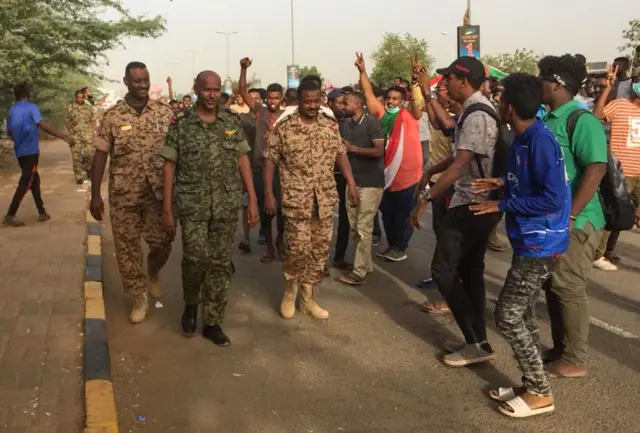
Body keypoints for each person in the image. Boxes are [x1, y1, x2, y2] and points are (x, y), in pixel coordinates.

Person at [471, 73, 570, 418]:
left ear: (509, 108)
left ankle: (541, 392)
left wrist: (501, 205)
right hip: (527, 240)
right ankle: (530, 383)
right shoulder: (522, 138)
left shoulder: (540, 140)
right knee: (522, 312)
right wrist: (500, 183)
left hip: (542, 242)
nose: (497, 103)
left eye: (500, 99)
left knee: (507, 315)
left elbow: (553, 198)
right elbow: (528, 182)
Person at [410, 57, 501, 367]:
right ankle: (477, 339)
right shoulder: (472, 111)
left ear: (463, 81)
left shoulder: (477, 115)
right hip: (477, 202)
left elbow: (462, 163)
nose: (444, 84)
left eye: (447, 79)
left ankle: (476, 342)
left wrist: (425, 197)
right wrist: (432, 170)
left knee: (443, 270)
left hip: (473, 202)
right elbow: (449, 132)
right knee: (469, 272)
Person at [161, 70, 258, 345]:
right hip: (192, 205)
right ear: (196, 89)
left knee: (219, 264)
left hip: (226, 206)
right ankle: (191, 303)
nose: (212, 94)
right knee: (194, 259)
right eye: (207, 90)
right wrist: (167, 209)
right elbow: (169, 165)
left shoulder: (230, 121)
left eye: (216, 90)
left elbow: (243, 160)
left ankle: (213, 320)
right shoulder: (181, 123)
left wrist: (252, 199)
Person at [263, 79, 359, 320]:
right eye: (308, 101)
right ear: (298, 102)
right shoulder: (284, 127)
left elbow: (340, 154)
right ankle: (290, 290)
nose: (313, 106)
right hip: (296, 198)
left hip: (324, 199)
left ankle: (308, 299)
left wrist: (352, 184)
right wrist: (268, 193)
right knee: (298, 248)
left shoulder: (330, 125)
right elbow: (270, 159)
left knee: (319, 250)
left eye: (317, 101)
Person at [90, 61, 175, 324]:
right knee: (127, 249)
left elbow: (178, 151)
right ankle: (139, 296)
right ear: (126, 82)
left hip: (159, 194)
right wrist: (95, 194)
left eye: (146, 80)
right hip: (123, 195)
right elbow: (101, 155)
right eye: (137, 81)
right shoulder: (113, 117)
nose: (143, 85)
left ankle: (152, 271)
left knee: (163, 242)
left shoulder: (164, 112)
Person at [538, 54, 607, 378]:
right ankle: (560, 348)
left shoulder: (582, 121)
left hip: (578, 222)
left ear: (557, 84)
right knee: (553, 286)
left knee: (568, 287)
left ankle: (576, 358)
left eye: (543, 79)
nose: (539, 85)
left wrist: (571, 216)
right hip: (555, 220)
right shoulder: (549, 119)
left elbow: (596, 168)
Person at [356, 52, 424, 262]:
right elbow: (368, 94)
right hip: (385, 173)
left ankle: (400, 246)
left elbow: (418, 102)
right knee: (387, 212)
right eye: (389, 98)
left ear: (403, 100)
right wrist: (363, 72)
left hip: (408, 174)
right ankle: (392, 244)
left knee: (403, 213)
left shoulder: (411, 114)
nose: (392, 101)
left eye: (396, 99)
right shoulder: (382, 115)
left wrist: (415, 80)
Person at [4, 83, 74, 227]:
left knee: (34, 179)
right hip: (31, 151)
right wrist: (62, 135)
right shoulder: (32, 107)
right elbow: (42, 125)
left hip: (20, 152)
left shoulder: (12, 110)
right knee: (26, 181)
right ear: (27, 94)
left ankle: (42, 212)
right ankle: (10, 214)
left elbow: (10, 131)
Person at [238, 58, 286, 263]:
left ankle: (280, 242)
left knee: (283, 211)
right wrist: (243, 69)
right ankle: (268, 247)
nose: (273, 101)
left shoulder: (288, 116)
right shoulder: (260, 112)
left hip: (282, 170)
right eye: (270, 98)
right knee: (266, 211)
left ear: (282, 98)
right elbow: (242, 89)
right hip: (259, 168)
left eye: (276, 98)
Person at [592, 68, 640, 270]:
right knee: (615, 213)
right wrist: (607, 89)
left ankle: (608, 251)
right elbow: (597, 115)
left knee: (633, 214)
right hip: (622, 171)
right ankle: (599, 254)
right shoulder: (620, 105)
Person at [337, 91, 385, 285]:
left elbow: (379, 151)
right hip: (353, 182)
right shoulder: (345, 125)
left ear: (357, 104)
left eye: (345, 103)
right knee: (356, 228)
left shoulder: (372, 123)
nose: (341, 106)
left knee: (364, 227)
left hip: (371, 183)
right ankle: (367, 266)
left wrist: (354, 149)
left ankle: (359, 272)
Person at [66, 89, 96, 184]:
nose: (80, 99)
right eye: (78, 97)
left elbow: (93, 120)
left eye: (82, 97)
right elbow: (67, 121)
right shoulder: (70, 108)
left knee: (90, 154)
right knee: (76, 156)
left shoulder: (89, 108)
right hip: (76, 135)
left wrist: (95, 132)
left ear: (84, 98)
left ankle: (89, 168)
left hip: (88, 134)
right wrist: (70, 132)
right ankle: (78, 176)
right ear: (75, 97)